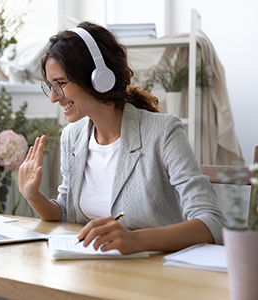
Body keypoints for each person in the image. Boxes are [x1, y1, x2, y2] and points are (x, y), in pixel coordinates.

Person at [18, 21, 226, 255]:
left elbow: (212, 223)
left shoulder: (163, 131)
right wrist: (33, 196)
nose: (54, 98)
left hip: (153, 275)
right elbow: (66, 213)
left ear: (98, 77)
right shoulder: (72, 137)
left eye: (61, 84)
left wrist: (135, 240)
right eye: (50, 86)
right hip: (89, 271)